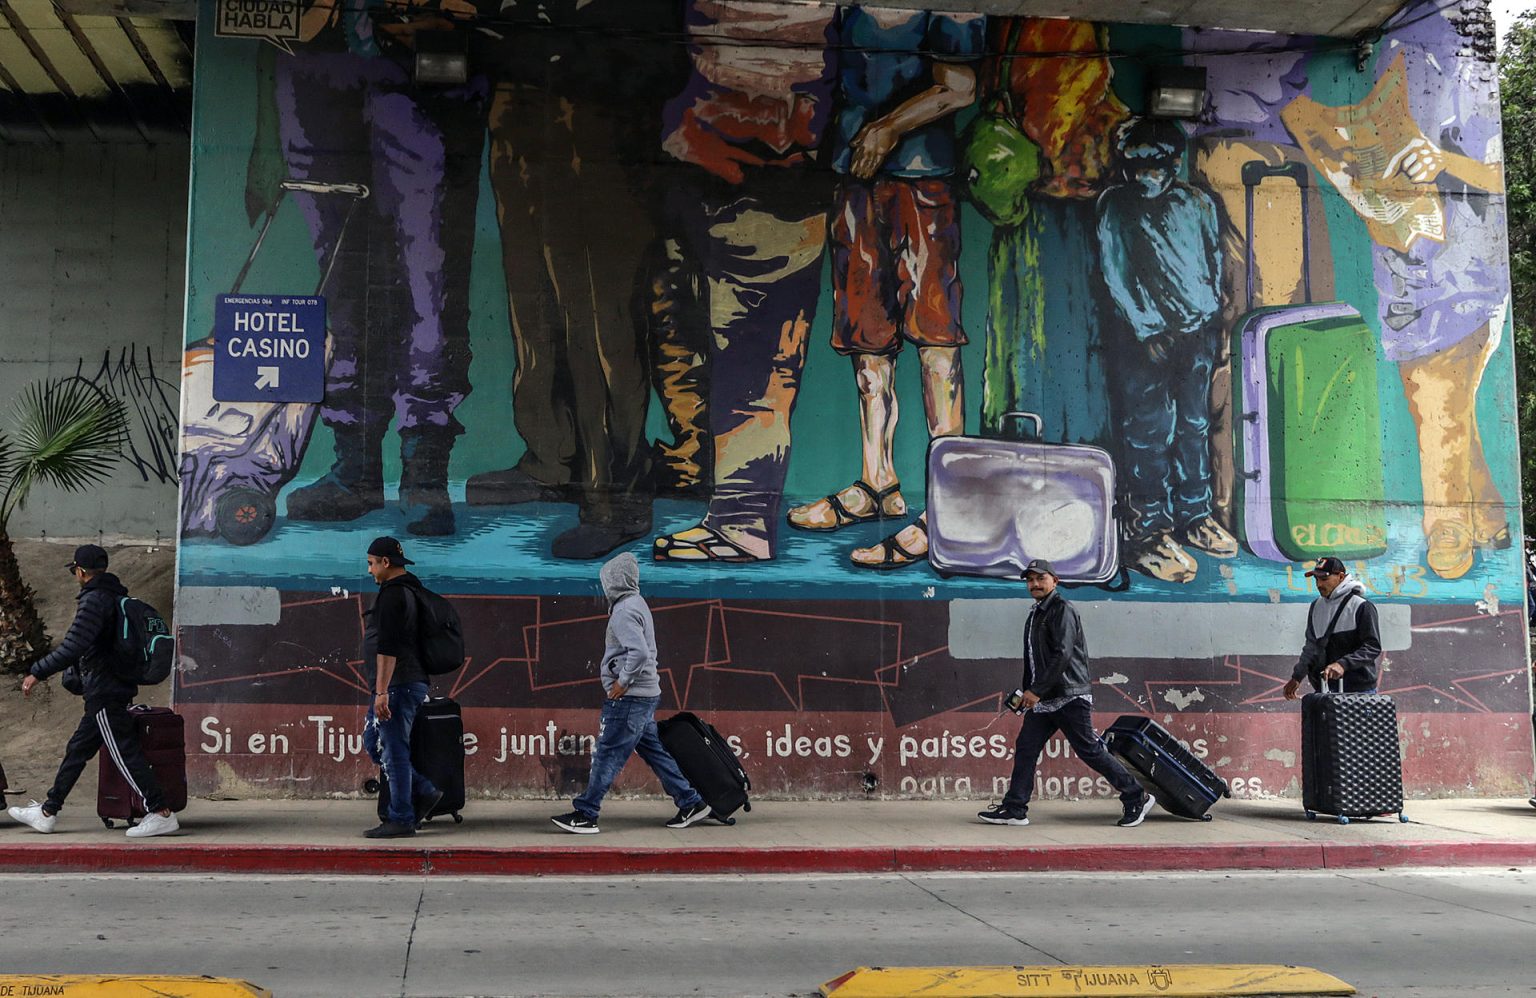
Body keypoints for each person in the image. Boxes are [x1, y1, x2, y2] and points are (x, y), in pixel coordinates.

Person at [785, 7, 985, 571]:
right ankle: (879, 482)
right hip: (856, 178)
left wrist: (890, 126)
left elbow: (960, 86)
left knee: (935, 341)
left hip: (922, 183)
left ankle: (947, 504)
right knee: (867, 341)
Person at [1096, 117, 1238, 583]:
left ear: (1174, 162)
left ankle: (1193, 516)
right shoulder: (1116, 205)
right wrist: (1148, 328)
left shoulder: (1198, 203)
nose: (1144, 175)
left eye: (1154, 164)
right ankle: (1148, 531)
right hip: (1145, 342)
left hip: (1196, 332)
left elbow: (1213, 263)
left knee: (1195, 426)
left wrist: (1216, 325)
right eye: (1134, 165)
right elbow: (1116, 272)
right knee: (1147, 434)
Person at [7, 545, 179, 838]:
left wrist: (37, 672)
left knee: (123, 751)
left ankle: (161, 812)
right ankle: (48, 811)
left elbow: (74, 644)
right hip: (108, 688)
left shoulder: (94, 601)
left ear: (81, 572)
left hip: (105, 690)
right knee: (78, 750)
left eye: (75, 570)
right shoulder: (114, 596)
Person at [977, 559, 1154, 828]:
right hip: (1045, 699)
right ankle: (1015, 808)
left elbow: (1062, 654)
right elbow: (1035, 660)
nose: (1034, 584)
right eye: (1030, 580)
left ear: (1055, 581)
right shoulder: (1037, 612)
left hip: (1069, 695)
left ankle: (1135, 795)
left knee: (1089, 750)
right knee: (1026, 748)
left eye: (1040, 579)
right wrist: (1028, 693)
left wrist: (1036, 690)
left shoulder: (1062, 609)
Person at [551, 553, 711, 834]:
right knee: (654, 751)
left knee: (607, 753)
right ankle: (690, 801)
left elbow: (638, 652)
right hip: (645, 695)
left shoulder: (624, 611)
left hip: (631, 697)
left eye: (606, 580)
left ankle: (586, 813)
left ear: (613, 581)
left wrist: (622, 683)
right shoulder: (636, 603)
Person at [360, 536, 442, 838]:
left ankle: (402, 818)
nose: (369, 571)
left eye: (371, 563)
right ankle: (423, 790)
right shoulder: (407, 589)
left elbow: (389, 646)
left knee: (393, 750)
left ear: (385, 562)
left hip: (398, 685)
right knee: (374, 741)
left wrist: (382, 691)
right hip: (399, 684)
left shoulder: (394, 595)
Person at [1283, 557, 1382, 700]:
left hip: (1359, 691)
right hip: (1325, 690)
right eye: (1316, 579)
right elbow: (1311, 646)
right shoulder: (1316, 606)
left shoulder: (1361, 606)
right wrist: (1297, 676)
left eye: (1324, 579)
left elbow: (1372, 647)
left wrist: (1343, 664)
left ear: (1341, 577)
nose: (1319, 584)